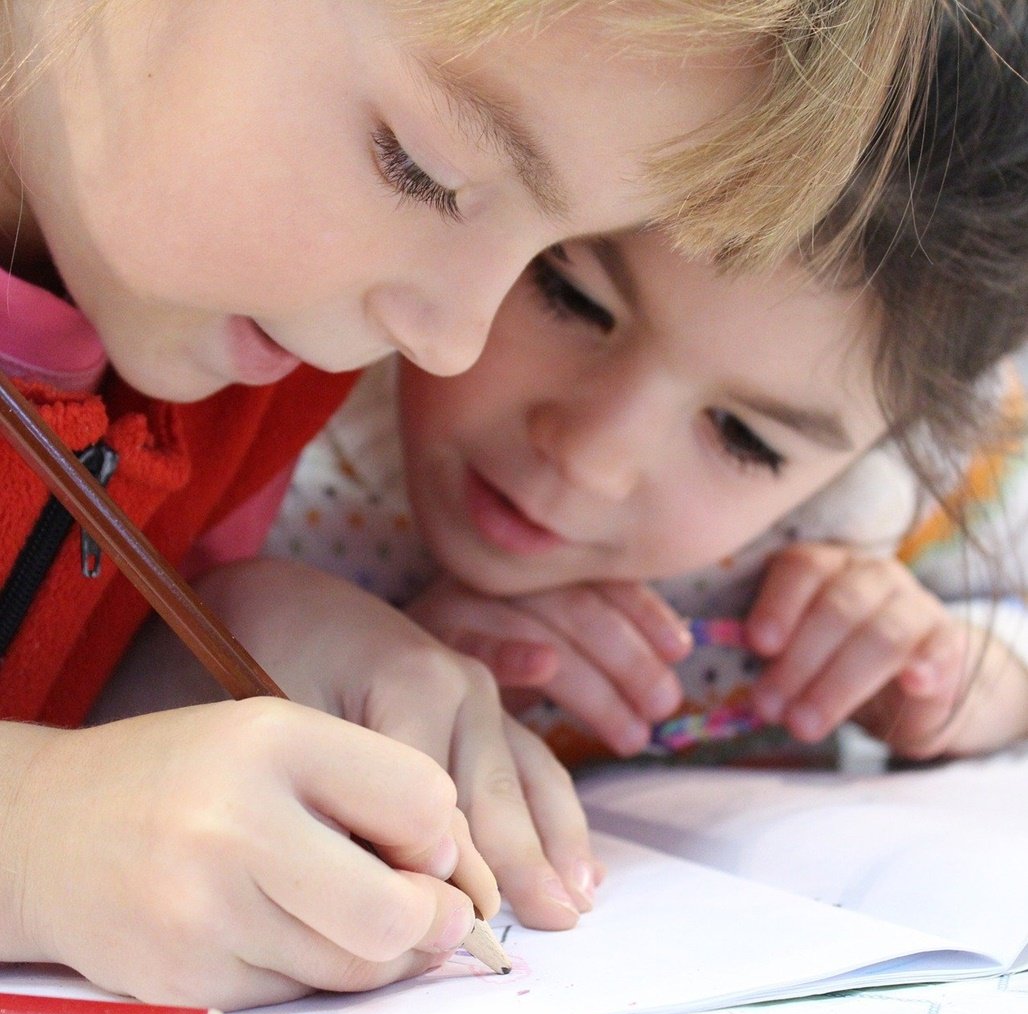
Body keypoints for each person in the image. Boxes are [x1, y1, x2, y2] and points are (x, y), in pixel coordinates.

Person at [0, 0, 936, 1010]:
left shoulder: (249, 362)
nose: (450, 343)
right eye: (422, 171)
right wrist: (36, 833)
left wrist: (192, 657)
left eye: (547, 250)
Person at [265, 0, 1028, 772]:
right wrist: (354, 660)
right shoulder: (277, 392)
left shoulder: (913, 495)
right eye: (571, 298)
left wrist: (977, 674)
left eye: (743, 437)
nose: (591, 459)